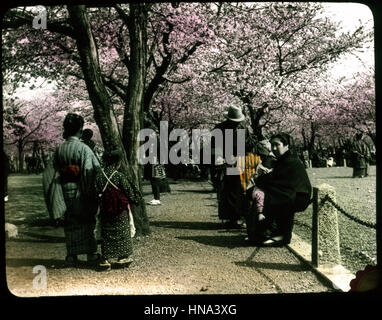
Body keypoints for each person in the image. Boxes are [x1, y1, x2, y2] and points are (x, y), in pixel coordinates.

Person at [247, 132, 312, 247]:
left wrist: (259, 180)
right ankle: (264, 233)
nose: (274, 148)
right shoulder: (283, 159)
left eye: (277, 145)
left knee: (264, 197)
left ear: (286, 145)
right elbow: (275, 179)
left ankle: (280, 235)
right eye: (272, 145)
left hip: (298, 196)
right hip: (289, 192)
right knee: (259, 195)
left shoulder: (290, 160)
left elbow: (274, 180)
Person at [53, 113, 101, 266]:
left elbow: (52, 173)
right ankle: (91, 254)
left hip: (64, 188)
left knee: (70, 222)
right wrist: (91, 191)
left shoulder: (59, 149)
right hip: (82, 189)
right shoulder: (83, 148)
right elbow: (90, 170)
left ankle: (71, 255)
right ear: (80, 129)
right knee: (87, 221)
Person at [95, 149, 141, 270]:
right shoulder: (119, 176)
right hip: (120, 209)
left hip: (105, 209)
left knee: (106, 232)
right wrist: (135, 199)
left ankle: (105, 259)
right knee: (122, 231)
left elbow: (95, 191)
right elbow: (129, 191)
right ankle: (122, 257)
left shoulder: (99, 176)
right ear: (117, 162)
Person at [212, 105, 249, 229]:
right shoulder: (219, 129)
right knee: (227, 191)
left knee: (239, 190)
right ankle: (230, 218)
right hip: (224, 163)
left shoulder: (243, 129)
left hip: (240, 162)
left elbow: (249, 145)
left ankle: (239, 217)